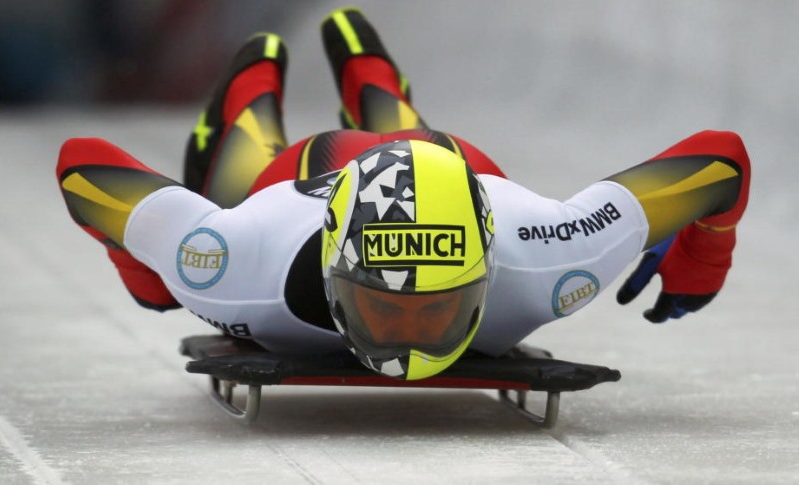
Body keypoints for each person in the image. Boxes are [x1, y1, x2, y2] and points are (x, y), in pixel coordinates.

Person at [57, 7, 750, 381]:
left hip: (452, 170)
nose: (411, 342)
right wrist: (704, 249)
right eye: (385, 311)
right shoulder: (239, 261)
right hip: (305, 180)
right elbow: (721, 160)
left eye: (436, 310)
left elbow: (83, 168)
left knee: (196, 238)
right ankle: (273, 92)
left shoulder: (550, 255)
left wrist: (143, 261)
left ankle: (369, 85)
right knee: (240, 176)